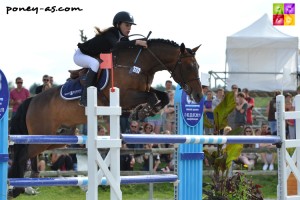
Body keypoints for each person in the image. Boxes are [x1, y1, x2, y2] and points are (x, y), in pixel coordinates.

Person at [74, 11, 147, 107]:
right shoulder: (111, 33)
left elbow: (127, 48)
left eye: (130, 26)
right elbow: (117, 45)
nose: (129, 28)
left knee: (97, 63)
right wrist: (136, 42)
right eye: (127, 25)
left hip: (92, 56)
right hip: (80, 55)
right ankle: (84, 98)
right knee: (95, 64)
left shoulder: (123, 38)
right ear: (118, 24)